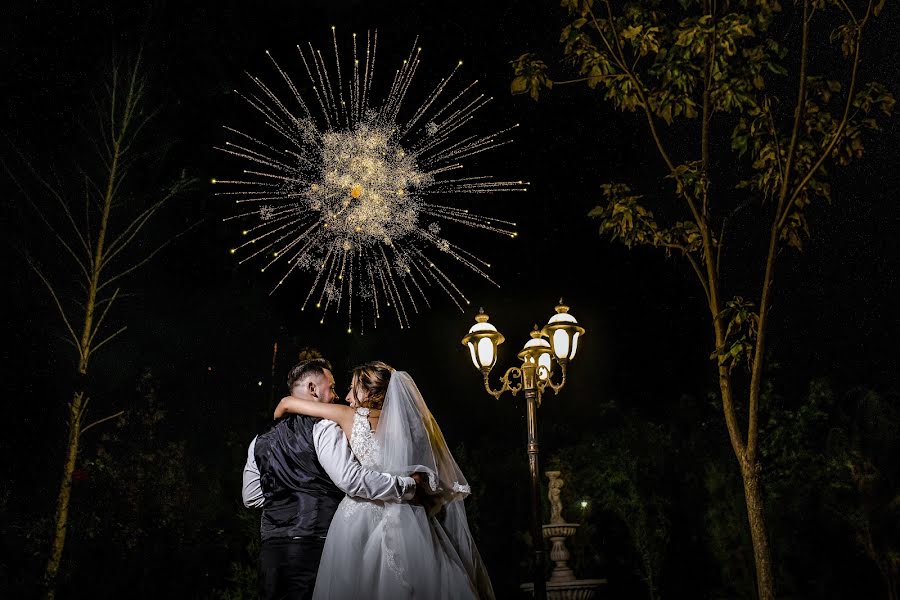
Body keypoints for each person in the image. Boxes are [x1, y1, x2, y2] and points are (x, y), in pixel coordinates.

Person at [272, 361, 495, 599]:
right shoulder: (412, 425)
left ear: (368, 391)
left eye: (352, 388)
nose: (346, 397)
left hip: (362, 515)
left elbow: (287, 404)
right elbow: (429, 478)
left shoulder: (350, 416)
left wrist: (278, 416)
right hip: (410, 514)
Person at [242, 358, 420, 600]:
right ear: (313, 389)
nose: (337, 395)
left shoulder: (259, 439)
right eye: (332, 387)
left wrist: (284, 497)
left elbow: (251, 497)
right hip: (316, 543)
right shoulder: (325, 427)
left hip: (272, 548)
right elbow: (349, 479)